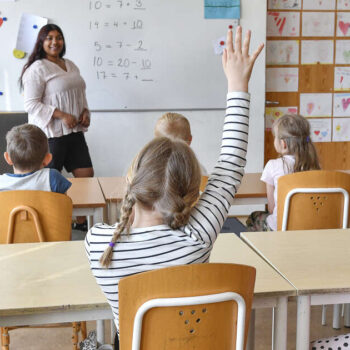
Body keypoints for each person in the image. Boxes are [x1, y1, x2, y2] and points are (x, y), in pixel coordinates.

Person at [85, 26, 264, 349]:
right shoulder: (196, 239)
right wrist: (238, 84)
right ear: (192, 193)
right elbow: (230, 166)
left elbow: (228, 170)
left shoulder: (100, 245)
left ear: (131, 178)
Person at [19, 24, 93, 229]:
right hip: (50, 135)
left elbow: (80, 95)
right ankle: (49, 223)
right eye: (49, 38)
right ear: (41, 43)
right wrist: (60, 115)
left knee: (86, 174)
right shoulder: (36, 69)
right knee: (50, 180)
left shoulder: (70, 64)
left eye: (59, 37)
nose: (55, 42)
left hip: (75, 132)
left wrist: (85, 112)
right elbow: (31, 104)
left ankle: (80, 222)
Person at [246, 114, 321, 232]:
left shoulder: (273, 165)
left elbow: (272, 208)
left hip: (280, 227)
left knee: (253, 218)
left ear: (283, 143)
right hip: (310, 227)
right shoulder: (315, 167)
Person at [0, 124, 71, 193]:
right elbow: (63, 204)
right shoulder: (53, 178)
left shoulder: (2, 182)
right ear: (48, 159)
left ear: (7, 158)